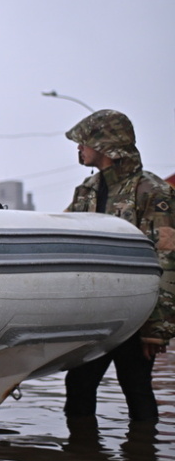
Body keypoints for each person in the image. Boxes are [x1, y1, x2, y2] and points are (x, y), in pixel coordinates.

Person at [63, 110, 175, 422]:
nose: (79, 148)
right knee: (78, 386)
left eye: (84, 141)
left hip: (136, 316)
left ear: (105, 145)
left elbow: (167, 257)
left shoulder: (152, 191)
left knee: (136, 386)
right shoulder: (86, 190)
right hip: (94, 313)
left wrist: (157, 329)